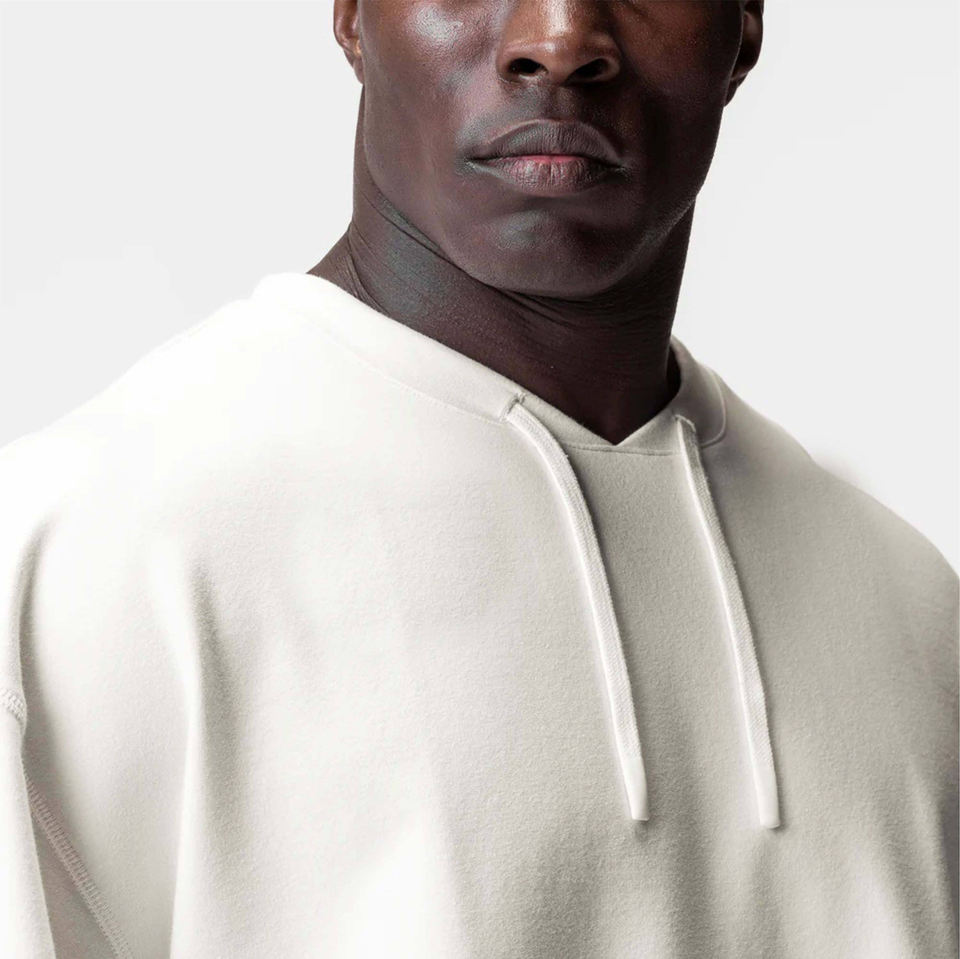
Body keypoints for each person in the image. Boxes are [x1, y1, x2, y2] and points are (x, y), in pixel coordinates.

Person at [2, 1, 957, 956]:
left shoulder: (912, 607)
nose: (559, 38)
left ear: (743, 26)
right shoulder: (86, 557)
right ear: (352, 14)